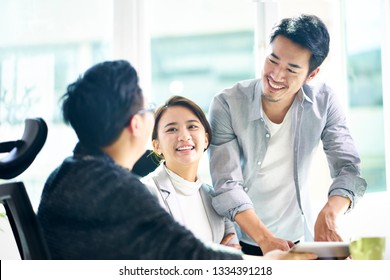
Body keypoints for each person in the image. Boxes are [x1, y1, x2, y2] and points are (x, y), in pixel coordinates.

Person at [37, 60, 315, 260]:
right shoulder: (115, 190)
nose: (183, 136)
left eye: (193, 127)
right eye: (148, 110)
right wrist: (269, 265)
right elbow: (188, 258)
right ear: (136, 125)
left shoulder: (66, 176)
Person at [208, 14, 367, 256]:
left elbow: (348, 168)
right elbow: (227, 184)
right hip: (241, 240)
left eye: (292, 69)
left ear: (311, 76)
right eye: (273, 60)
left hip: (298, 238)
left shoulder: (323, 103)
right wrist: (265, 239)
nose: (276, 75)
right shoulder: (228, 103)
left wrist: (330, 213)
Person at [142, 95, 240, 249]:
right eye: (172, 129)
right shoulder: (144, 193)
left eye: (192, 126)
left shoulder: (217, 198)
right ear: (157, 146)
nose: (184, 136)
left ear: (206, 139)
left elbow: (233, 253)